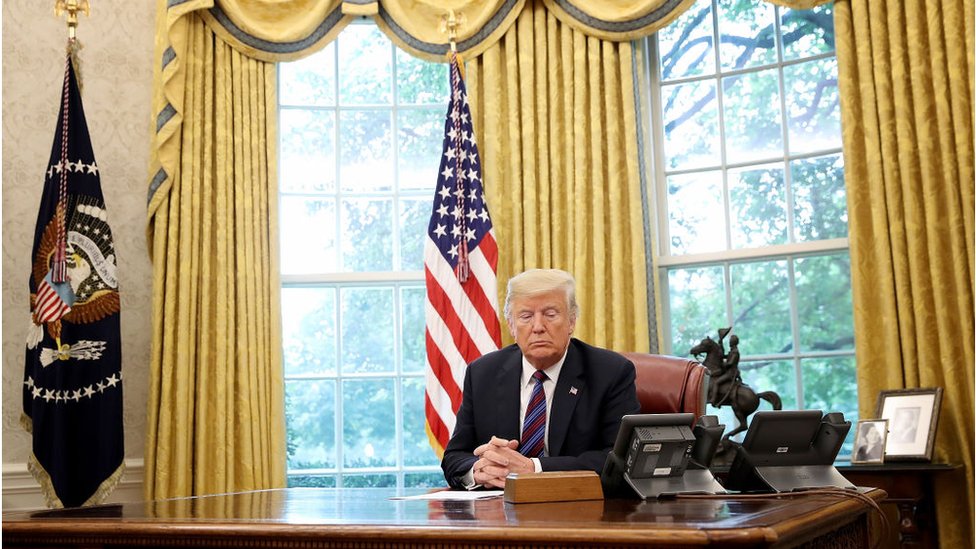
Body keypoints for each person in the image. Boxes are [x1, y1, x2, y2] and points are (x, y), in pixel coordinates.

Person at [441, 269, 640, 489]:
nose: (538, 327)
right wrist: (480, 469)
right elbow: (455, 456)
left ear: (571, 321)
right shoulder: (482, 373)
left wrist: (534, 468)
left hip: (580, 510)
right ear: (511, 325)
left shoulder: (610, 372)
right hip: (500, 513)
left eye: (551, 314)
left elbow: (621, 460)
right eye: (526, 316)